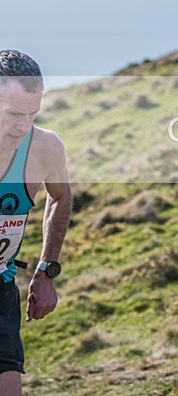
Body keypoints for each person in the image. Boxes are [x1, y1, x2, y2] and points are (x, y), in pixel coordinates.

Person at [0, 50, 72, 396]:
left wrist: (47, 270)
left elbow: (61, 196)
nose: (23, 126)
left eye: (33, 114)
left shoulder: (45, 147)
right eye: (14, 114)